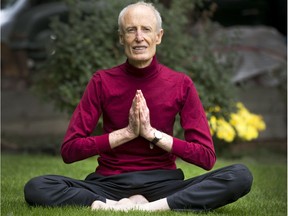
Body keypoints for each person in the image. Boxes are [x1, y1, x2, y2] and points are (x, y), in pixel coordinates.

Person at [24, 1, 253, 212]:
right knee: (37, 186)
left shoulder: (180, 84)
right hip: (108, 183)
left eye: (146, 29)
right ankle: (113, 205)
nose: (139, 37)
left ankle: (150, 208)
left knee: (240, 175)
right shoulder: (102, 81)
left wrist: (151, 134)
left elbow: (206, 157)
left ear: (159, 36)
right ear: (121, 38)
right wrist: (127, 133)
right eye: (131, 30)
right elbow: (70, 150)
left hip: (164, 183)